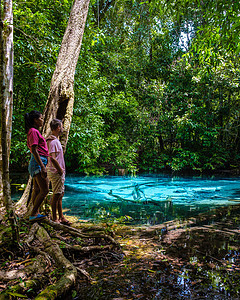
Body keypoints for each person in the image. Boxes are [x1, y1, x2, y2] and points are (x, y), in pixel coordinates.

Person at [25, 110, 49, 221]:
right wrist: (42, 167)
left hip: (37, 163)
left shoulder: (32, 131)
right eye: (41, 118)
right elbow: (34, 150)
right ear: (35, 120)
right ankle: (33, 214)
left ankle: (35, 213)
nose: (42, 120)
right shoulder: (33, 131)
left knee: (37, 189)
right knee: (45, 190)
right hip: (38, 162)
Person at [46, 119, 70, 225]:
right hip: (56, 172)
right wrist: (60, 170)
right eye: (62, 127)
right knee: (56, 195)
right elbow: (52, 158)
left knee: (60, 194)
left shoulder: (54, 140)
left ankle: (61, 217)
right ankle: (55, 219)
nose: (63, 129)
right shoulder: (54, 142)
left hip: (57, 171)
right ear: (58, 128)